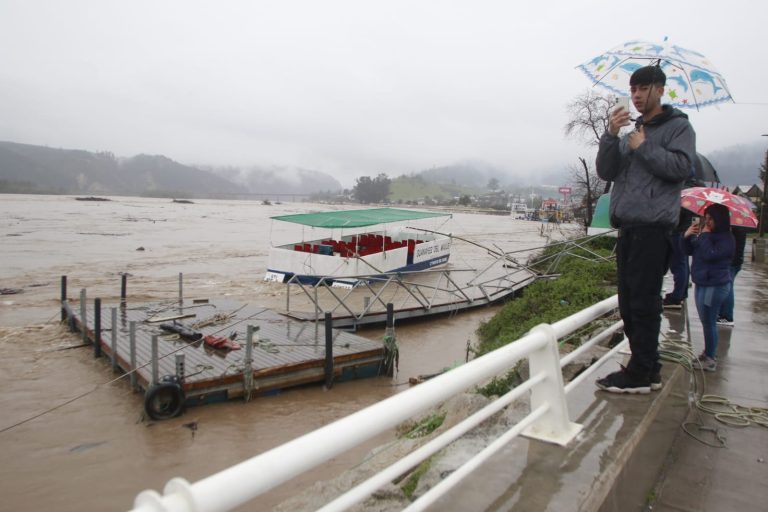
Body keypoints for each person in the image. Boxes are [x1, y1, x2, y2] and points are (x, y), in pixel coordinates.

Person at [595, 65, 696, 394]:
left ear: (660, 89)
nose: (637, 95)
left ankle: (640, 372)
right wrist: (611, 135)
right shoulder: (632, 130)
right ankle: (647, 366)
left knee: (643, 302)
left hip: (654, 228)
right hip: (628, 227)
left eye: (644, 88)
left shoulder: (679, 127)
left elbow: (682, 167)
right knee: (628, 302)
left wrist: (645, 147)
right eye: (633, 89)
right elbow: (606, 170)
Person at [684, 204, 735, 371]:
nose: (707, 222)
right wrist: (687, 237)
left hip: (715, 285)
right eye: (706, 219)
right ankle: (708, 353)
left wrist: (704, 237)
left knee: (709, 321)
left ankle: (710, 357)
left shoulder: (726, 239)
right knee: (706, 320)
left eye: (710, 219)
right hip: (702, 282)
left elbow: (709, 254)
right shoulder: (706, 236)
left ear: (719, 220)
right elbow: (690, 251)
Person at [662, 207, 695, 309]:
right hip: (685, 231)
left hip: (678, 232)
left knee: (678, 265)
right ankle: (681, 293)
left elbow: (677, 216)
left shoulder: (684, 201)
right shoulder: (690, 201)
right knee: (683, 264)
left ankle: (676, 297)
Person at [717, 226, 748, 326]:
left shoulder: (733, 227)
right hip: (736, 260)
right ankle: (723, 314)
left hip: (731, 260)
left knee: (727, 288)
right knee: (727, 286)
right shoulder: (740, 226)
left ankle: (726, 316)